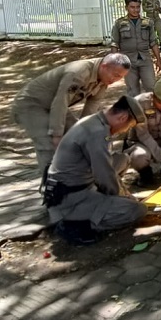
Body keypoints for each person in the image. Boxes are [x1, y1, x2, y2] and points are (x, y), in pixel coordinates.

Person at [43, 95, 148, 245]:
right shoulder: (97, 133)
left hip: (73, 182)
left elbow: (106, 165)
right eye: (128, 126)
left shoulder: (96, 120)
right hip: (71, 197)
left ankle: (93, 205)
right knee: (137, 210)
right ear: (123, 117)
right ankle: (73, 224)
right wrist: (121, 197)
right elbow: (104, 175)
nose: (125, 130)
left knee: (123, 159)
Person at [12, 54, 131, 174]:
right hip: (31, 104)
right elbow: (60, 102)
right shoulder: (79, 72)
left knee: (77, 136)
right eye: (115, 75)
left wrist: (85, 134)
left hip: (54, 105)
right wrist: (57, 134)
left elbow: (91, 108)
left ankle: (81, 178)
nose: (115, 80)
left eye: (120, 78)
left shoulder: (103, 80)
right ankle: (50, 186)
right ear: (104, 66)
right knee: (48, 145)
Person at [111, 0, 161, 97]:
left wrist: (158, 60)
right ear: (126, 8)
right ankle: (135, 111)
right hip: (128, 61)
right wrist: (114, 63)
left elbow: (153, 42)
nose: (136, 10)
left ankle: (152, 111)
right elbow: (114, 44)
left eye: (138, 7)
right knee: (132, 91)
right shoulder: (119, 23)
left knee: (151, 87)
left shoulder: (147, 22)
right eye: (132, 7)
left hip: (145, 59)